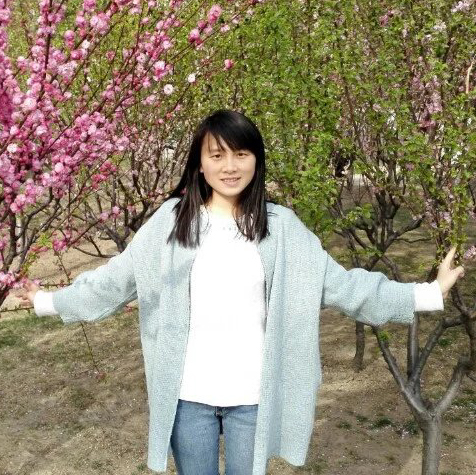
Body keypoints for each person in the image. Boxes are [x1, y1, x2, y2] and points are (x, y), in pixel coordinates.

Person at [15, 109, 464, 475]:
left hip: (253, 397)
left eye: (241, 154)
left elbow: (343, 285)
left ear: (256, 160)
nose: (230, 166)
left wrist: (428, 293)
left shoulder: (281, 229)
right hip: (188, 395)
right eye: (217, 155)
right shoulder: (170, 224)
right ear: (200, 163)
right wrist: (46, 300)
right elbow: (115, 281)